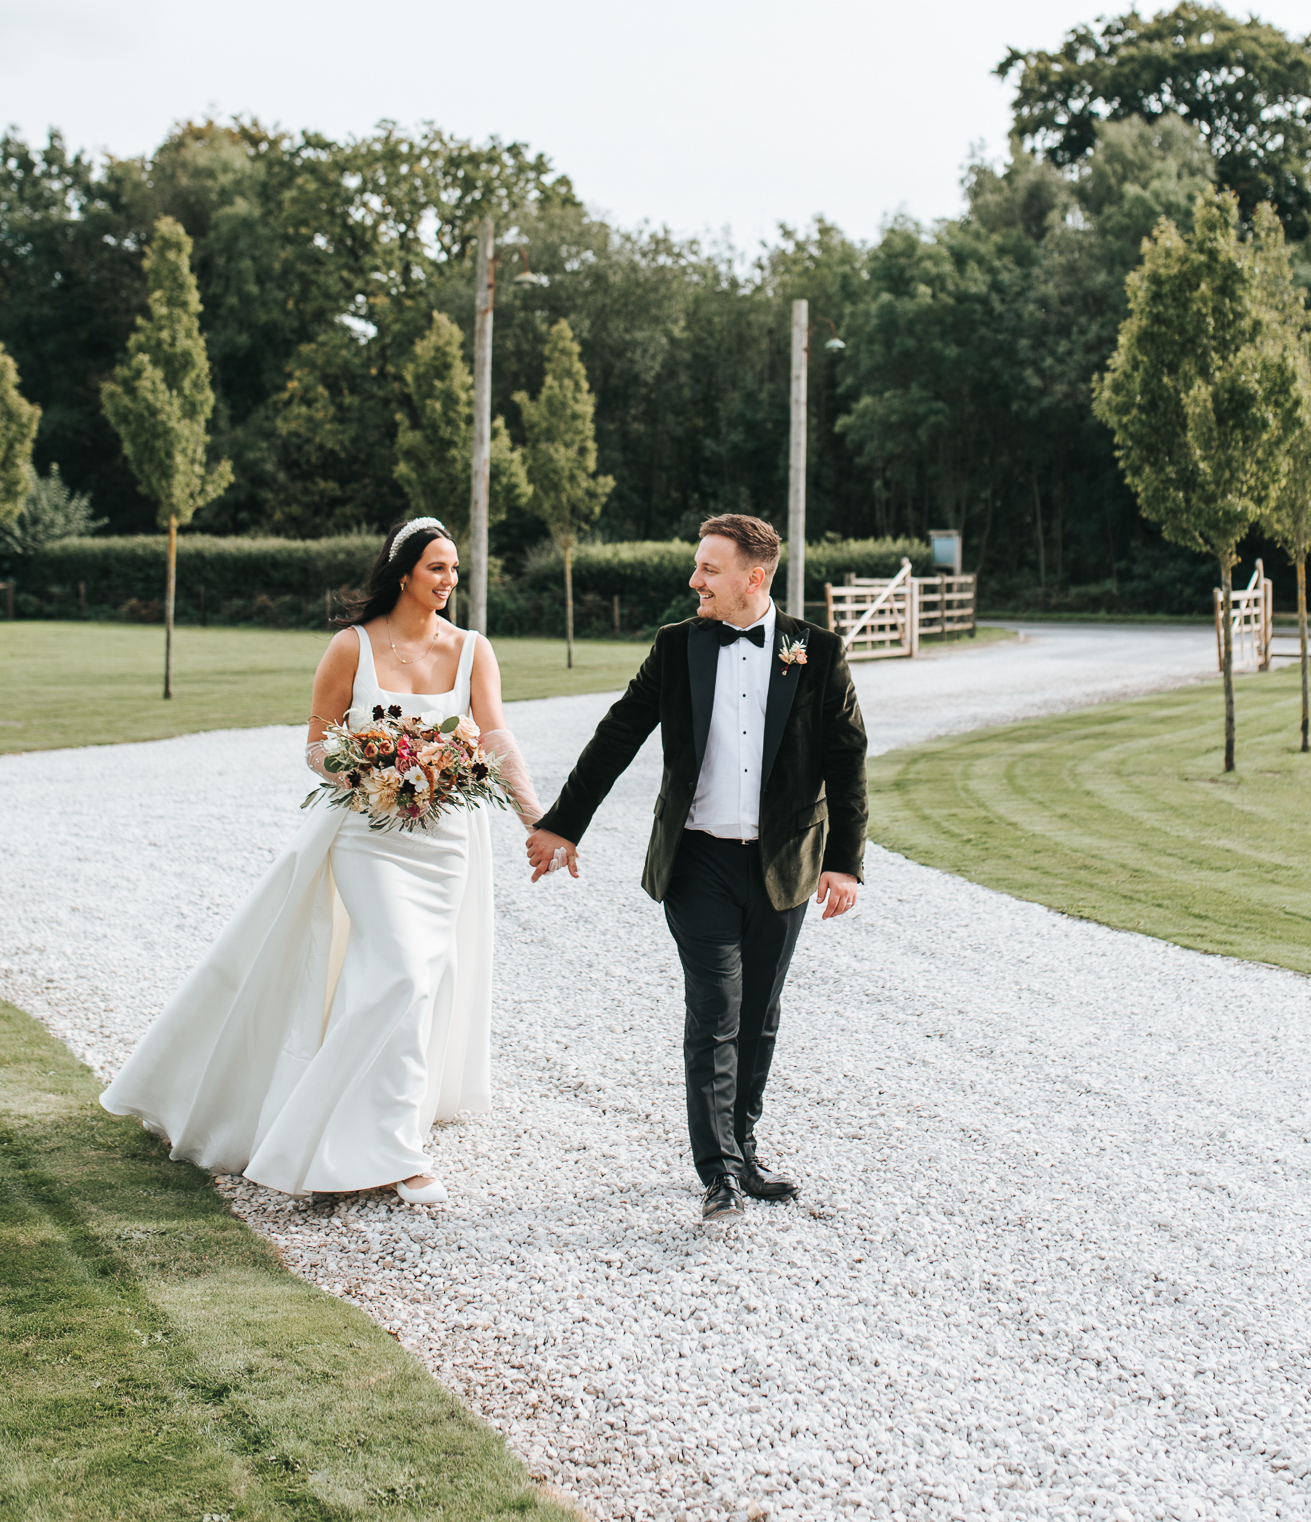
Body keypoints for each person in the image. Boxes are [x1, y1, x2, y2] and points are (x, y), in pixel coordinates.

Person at [101, 517, 544, 1205]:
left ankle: (357, 1132)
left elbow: (497, 738)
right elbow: (315, 746)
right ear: (403, 574)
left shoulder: (472, 649)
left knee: (415, 984)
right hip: (368, 837)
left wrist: (537, 821)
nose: (449, 581)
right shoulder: (351, 647)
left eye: (454, 570)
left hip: (446, 843)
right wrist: (373, 770)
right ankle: (389, 1152)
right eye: (437, 568)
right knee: (397, 974)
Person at [526, 512, 867, 1225]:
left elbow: (847, 762)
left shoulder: (818, 652)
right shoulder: (677, 647)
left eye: (708, 569)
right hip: (697, 861)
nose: (694, 580)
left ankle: (744, 1147)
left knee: (760, 1016)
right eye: (696, 567)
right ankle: (716, 1173)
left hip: (783, 864)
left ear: (755, 576)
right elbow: (618, 733)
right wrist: (562, 823)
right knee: (715, 1010)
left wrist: (845, 864)